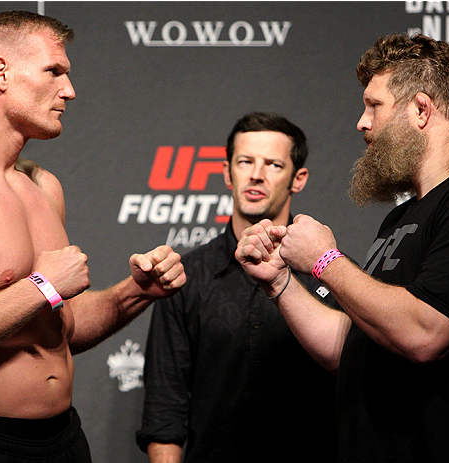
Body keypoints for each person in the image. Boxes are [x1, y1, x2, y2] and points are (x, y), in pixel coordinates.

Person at [0, 11, 185, 463]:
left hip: (60, 440)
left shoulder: (41, 187)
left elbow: (61, 328)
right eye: (54, 71)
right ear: (0, 73)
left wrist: (134, 294)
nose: (69, 90)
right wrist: (40, 287)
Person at [235, 33, 449, 462]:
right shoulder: (403, 218)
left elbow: (424, 333)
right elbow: (353, 348)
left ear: (421, 109)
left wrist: (325, 261)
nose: (362, 123)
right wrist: (281, 284)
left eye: (374, 105)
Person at [136, 112, 339, 463]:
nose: (256, 174)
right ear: (228, 173)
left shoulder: (329, 269)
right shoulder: (188, 276)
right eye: (245, 161)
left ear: (298, 179)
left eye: (273, 164)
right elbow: (164, 411)